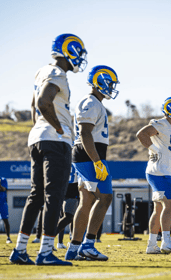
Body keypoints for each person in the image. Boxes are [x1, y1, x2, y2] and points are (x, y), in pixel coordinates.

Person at [10, 33, 87, 266]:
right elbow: (43, 102)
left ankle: (20, 249)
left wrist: (41, 127)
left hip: (37, 138)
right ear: (69, 50)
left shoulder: (41, 71)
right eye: (78, 53)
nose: (80, 58)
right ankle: (45, 252)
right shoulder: (58, 74)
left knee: (36, 195)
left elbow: (34, 106)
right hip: (55, 140)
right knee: (54, 197)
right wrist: (59, 129)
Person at [65, 65, 120, 261]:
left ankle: (73, 248)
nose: (112, 87)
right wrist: (97, 161)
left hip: (86, 155)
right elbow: (85, 132)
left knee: (87, 201)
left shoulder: (96, 103)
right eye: (110, 83)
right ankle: (88, 245)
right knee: (105, 198)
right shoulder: (90, 102)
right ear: (100, 81)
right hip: (88, 155)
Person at [136, 97, 171, 254]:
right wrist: (154, 149)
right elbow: (141, 134)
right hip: (160, 171)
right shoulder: (161, 123)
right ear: (170, 110)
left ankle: (152, 245)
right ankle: (166, 242)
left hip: (164, 171)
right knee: (170, 204)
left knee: (158, 208)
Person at [55, 164, 80, 249]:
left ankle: (70, 240)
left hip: (64, 190)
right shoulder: (75, 160)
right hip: (71, 191)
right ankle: (49, 238)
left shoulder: (65, 158)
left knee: (71, 217)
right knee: (68, 217)